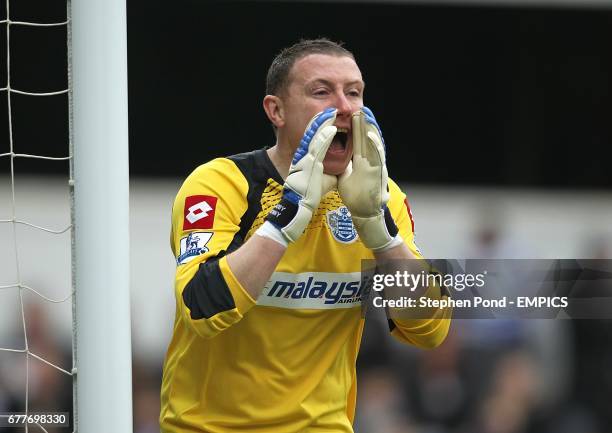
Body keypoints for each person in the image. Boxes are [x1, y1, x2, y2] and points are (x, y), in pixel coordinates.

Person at [159, 38, 451, 433]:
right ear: (275, 110)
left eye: (354, 93)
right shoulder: (219, 184)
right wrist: (285, 221)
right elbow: (200, 308)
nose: (345, 107)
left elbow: (430, 329)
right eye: (321, 92)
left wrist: (381, 234)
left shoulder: (382, 197)